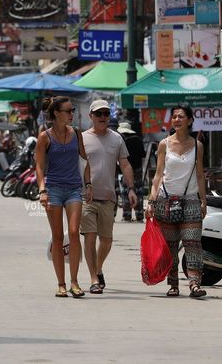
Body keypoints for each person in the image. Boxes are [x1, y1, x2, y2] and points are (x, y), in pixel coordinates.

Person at [146, 105, 207, 298]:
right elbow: (157, 176)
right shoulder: (164, 144)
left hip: (191, 201)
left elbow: (199, 174)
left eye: (181, 116)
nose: (176, 120)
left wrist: (203, 200)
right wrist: (151, 201)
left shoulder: (198, 145)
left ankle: (195, 284)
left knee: (193, 244)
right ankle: (173, 285)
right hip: (166, 200)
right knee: (170, 246)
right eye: (174, 117)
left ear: (189, 120)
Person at [36, 96, 92, 298]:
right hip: (53, 190)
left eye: (72, 110)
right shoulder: (45, 137)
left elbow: (84, 161)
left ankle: (75, 282)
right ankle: (61, 283)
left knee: (75, 232)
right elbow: (39, 167)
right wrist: (42, 190)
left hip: (74, 189)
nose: (72, 114)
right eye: (68, 111)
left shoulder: (76, 134)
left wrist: (89, 184)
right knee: (58, 237)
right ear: (57, 114)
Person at [81, 99, 137, 294]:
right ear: (91, 117)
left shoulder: (117, 139)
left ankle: (97, 267)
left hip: (109, 197)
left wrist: (131, 188)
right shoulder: (81, 138)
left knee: (106, 240)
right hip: (85, 197)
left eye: (106, 114)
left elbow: (125, 164)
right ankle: (93, 278)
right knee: (89, 237)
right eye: (99, 114)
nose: (103, 117)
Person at [118, 121, 146, 222]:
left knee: (127, 191)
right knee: (138, 191)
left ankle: (127, 215)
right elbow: (143, 155)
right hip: (138, 169)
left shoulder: (122, 140)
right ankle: (139, 215)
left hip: (127, 170)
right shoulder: (138, 140)